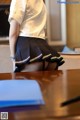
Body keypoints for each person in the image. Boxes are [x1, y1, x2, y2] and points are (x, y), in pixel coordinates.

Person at [8, 0, 64, 72]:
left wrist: (13, 59)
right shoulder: (41, 2)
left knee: (23, 82)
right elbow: (44, 31)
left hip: (27, 48)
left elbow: (13, 34)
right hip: (46, 50)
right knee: (43, 83)